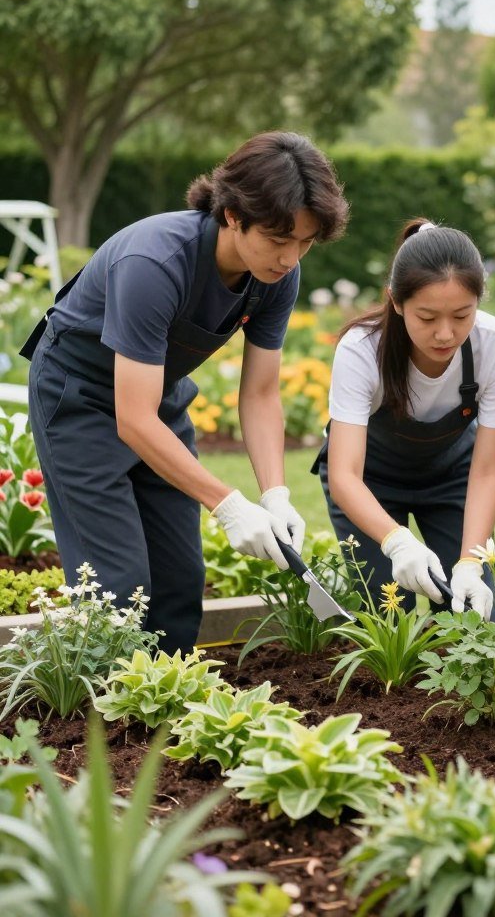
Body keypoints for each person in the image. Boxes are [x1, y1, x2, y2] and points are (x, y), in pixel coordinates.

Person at [22, 131, 349, 653]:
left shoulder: (276, 277)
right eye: (278, 239)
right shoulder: (155, 263)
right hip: (78, 400)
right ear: (233, 215)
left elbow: (261, 394)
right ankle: (100, 723)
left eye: (305, 241)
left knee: (179, 581)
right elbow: (132, 418)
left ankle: (163, 714)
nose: (290, 257)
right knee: (118, 586)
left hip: (158, 397)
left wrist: (274, 493)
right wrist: (227, 505)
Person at [315, 219, 495, 618]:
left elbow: (486, 472)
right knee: (390, 610)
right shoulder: (361, 350)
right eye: (427, 318)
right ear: (395, 301)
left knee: (474, 613)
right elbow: (345, 474)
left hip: (451, 479)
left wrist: (469, 562)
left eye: (462, 316)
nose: (445, 334)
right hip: (369, 483)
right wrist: (396, 542)